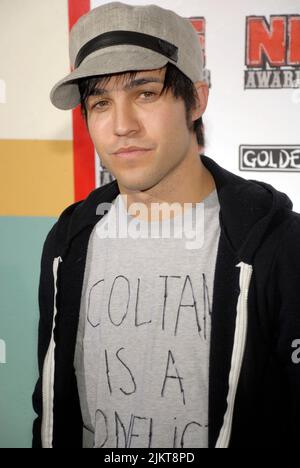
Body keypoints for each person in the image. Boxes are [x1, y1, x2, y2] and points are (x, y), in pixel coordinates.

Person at [32, 2, 300, 448]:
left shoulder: (279, 246)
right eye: (100, 102)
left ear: (196, 99)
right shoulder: (67, 242)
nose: (121, 126)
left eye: (145, 94)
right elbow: (52, 405)